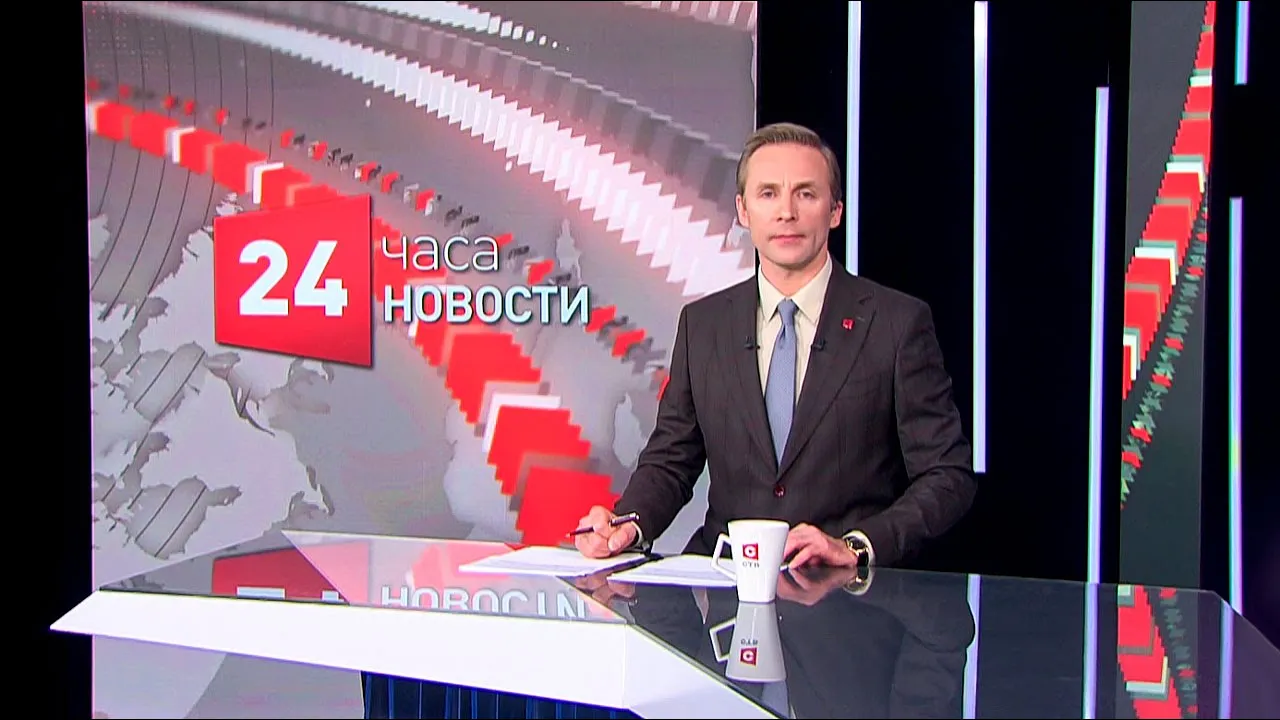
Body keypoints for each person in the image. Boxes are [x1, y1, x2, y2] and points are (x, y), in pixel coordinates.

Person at [575, 122, 976, 569]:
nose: (786, 212)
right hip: (725, 585)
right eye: (768, 194)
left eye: (806, 194)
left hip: (846, 595)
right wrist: (629, 523)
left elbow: (947, 475)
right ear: (743, 211)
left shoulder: (896, 324)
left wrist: (856, 546)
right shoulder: (703, 325)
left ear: (835, 210)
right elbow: (672, 459)